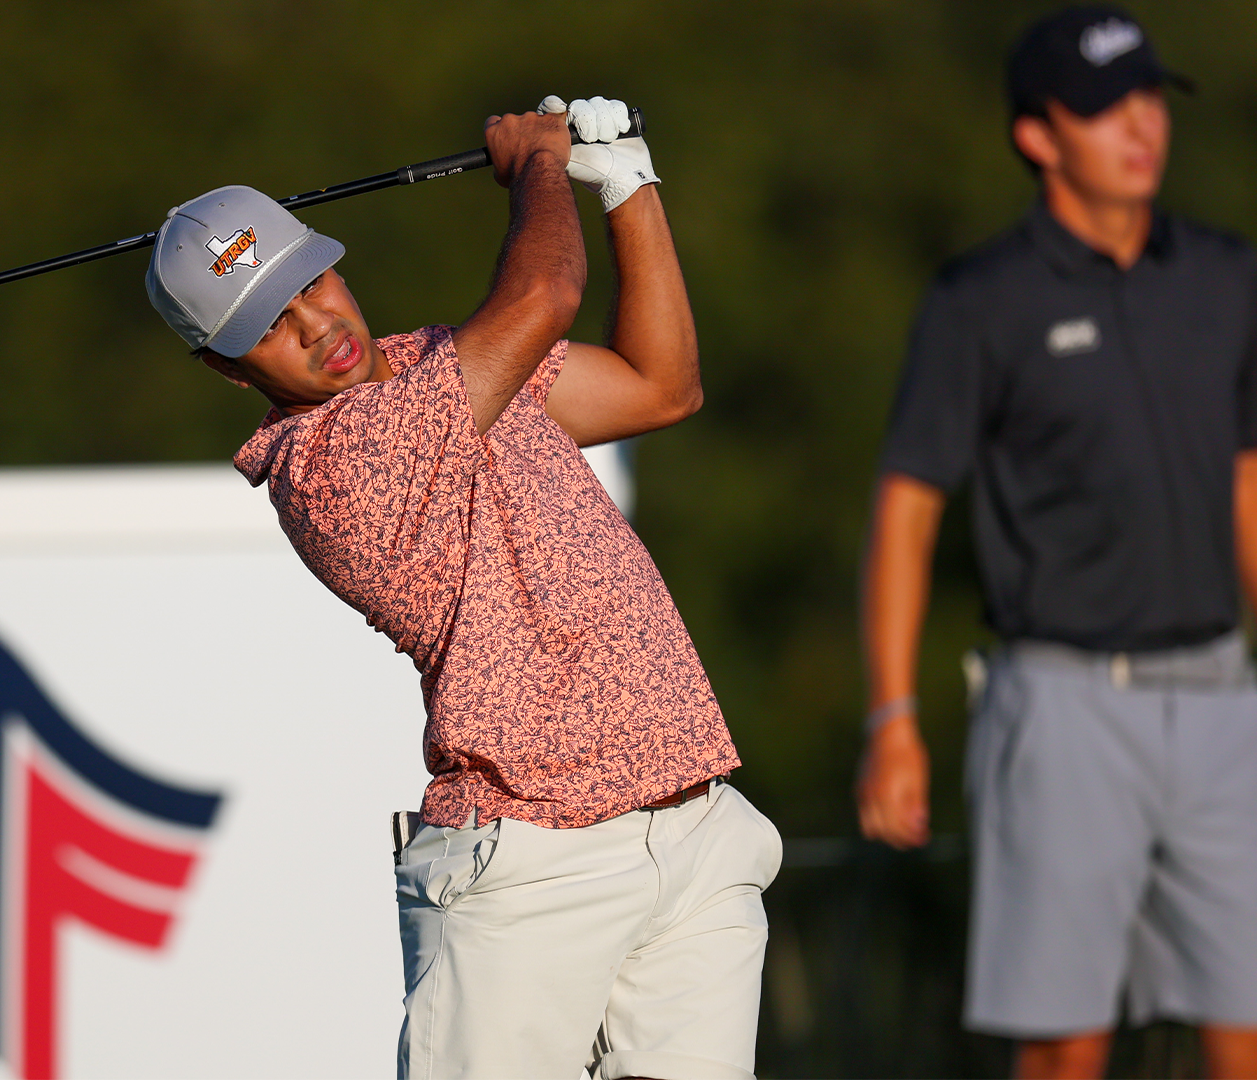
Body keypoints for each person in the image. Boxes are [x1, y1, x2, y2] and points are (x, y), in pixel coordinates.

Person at [145, 95, 779, 1079]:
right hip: (532, 865)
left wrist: (628, 188)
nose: (318, 327)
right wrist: (535, 162)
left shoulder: (439, 363)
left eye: (311, 284)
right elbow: (543, 301)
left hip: (690, 830)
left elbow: (663, 386)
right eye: (270, 325)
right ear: (226, 368)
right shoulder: (328, 466)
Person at [855, 7, 1257, 1078]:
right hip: (1064, 704)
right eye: (1103, 108)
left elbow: (1248, 481)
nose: (1141, 127)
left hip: (1224, 696)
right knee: (1065, 1044)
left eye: (1149, 99)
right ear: (1038, 136)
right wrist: (893, 719)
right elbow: (908, 509)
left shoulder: (1228, 278)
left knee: (1249, 1027)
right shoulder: (982, 302)